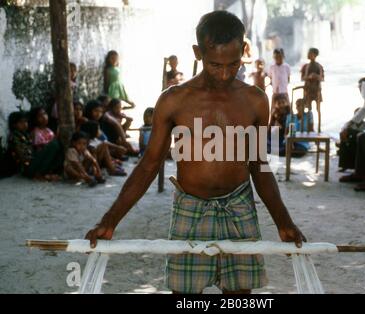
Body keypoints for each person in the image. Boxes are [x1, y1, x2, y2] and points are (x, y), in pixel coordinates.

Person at [86, 11, 306, 295]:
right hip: (190, 207)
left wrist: (283, 222)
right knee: (185, 296)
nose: (225, 74)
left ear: (244, 52)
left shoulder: (255, 101)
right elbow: (148, 165)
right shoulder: (174, 100)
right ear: (197, 52)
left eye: (234, 63)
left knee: (239, 298)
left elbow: (258, 165)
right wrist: (110, 220)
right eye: (215, 64)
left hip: (239, 205)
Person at [23, 108, 64, 181]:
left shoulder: (49, 130)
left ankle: (49, 173)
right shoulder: (34, 132)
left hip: (46, 160)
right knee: (54, 145)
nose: (44, 117)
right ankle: (39, 174)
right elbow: (38, 150)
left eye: (45, 114)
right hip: (36, 163)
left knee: (60, 147)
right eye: (40, 116)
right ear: (35, 119)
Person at [301, 48, 324, 132]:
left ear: (315, 55)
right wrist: (309, 77)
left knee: (318, 109)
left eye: (310, 53)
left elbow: (322, 77)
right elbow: (303, 77)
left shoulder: (319, 66)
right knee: (308, 109)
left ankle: (319, 127)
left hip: (316, 90)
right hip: (308, 90)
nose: (308, 55)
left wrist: (316, 76)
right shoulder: (305, 66)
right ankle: (309, 126)